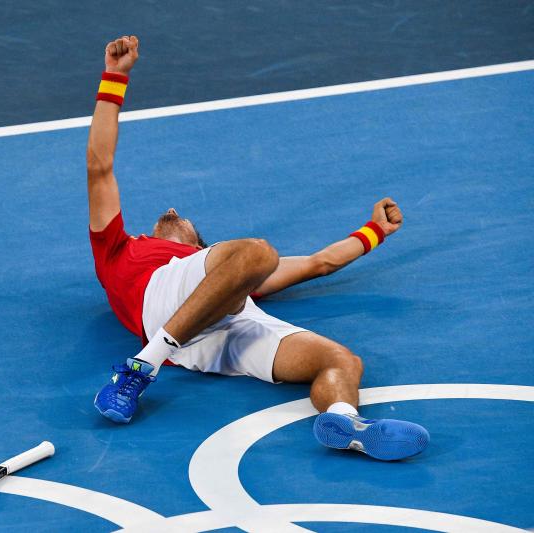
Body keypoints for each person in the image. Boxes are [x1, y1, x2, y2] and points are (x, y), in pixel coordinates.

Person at [87, 36, 429, 461]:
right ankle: (141, 367)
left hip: (218, 342)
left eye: (183, 216)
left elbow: (319, 263)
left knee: (342, 359)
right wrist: (115, 78)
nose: (173, 209)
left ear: (199, 243)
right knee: (260, 252)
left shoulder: (234, 273)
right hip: (161, 310)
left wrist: (374, 231)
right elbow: (99, 166)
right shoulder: (118, 249)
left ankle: (347, 422)